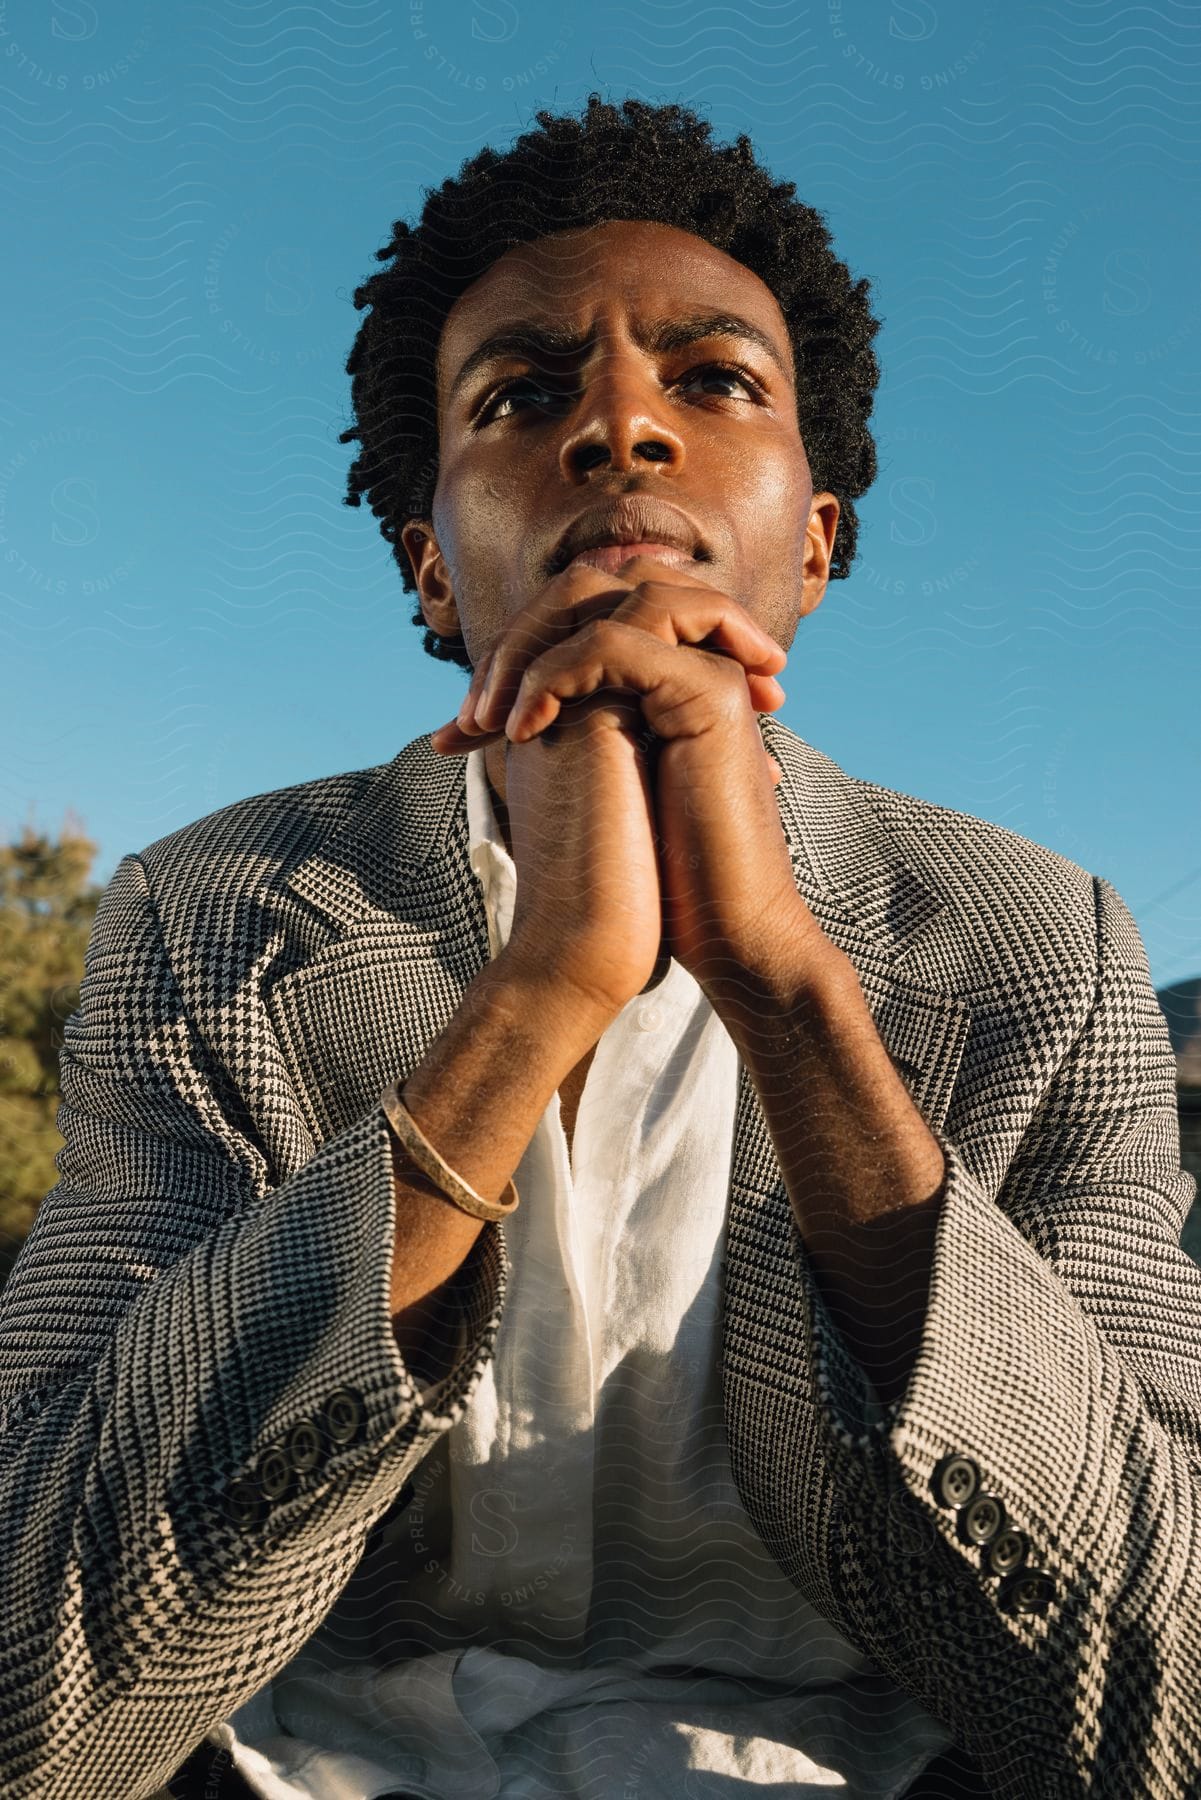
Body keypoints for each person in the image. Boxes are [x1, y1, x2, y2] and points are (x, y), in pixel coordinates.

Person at [1, 94, 1197, 1800]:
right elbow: (34, 1702)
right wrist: (541, 986)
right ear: (431, 568)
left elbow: (1165, 1714)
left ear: (816, 540)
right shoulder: (212, 918)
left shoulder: (1046, 948)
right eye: (521, 394)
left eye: (713, 382)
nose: (621, 427)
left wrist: (787, 992)